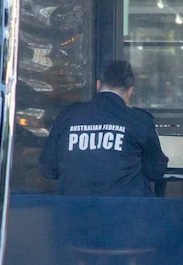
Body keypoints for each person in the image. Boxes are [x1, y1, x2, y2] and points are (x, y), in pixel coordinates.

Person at [39, 60, 169, 196]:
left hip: (73, 212)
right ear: (130, 91)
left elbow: (47, 169)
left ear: (98, 85)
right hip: (124, 212)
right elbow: (156, 170)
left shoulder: (68, 115)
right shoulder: (139, 120)